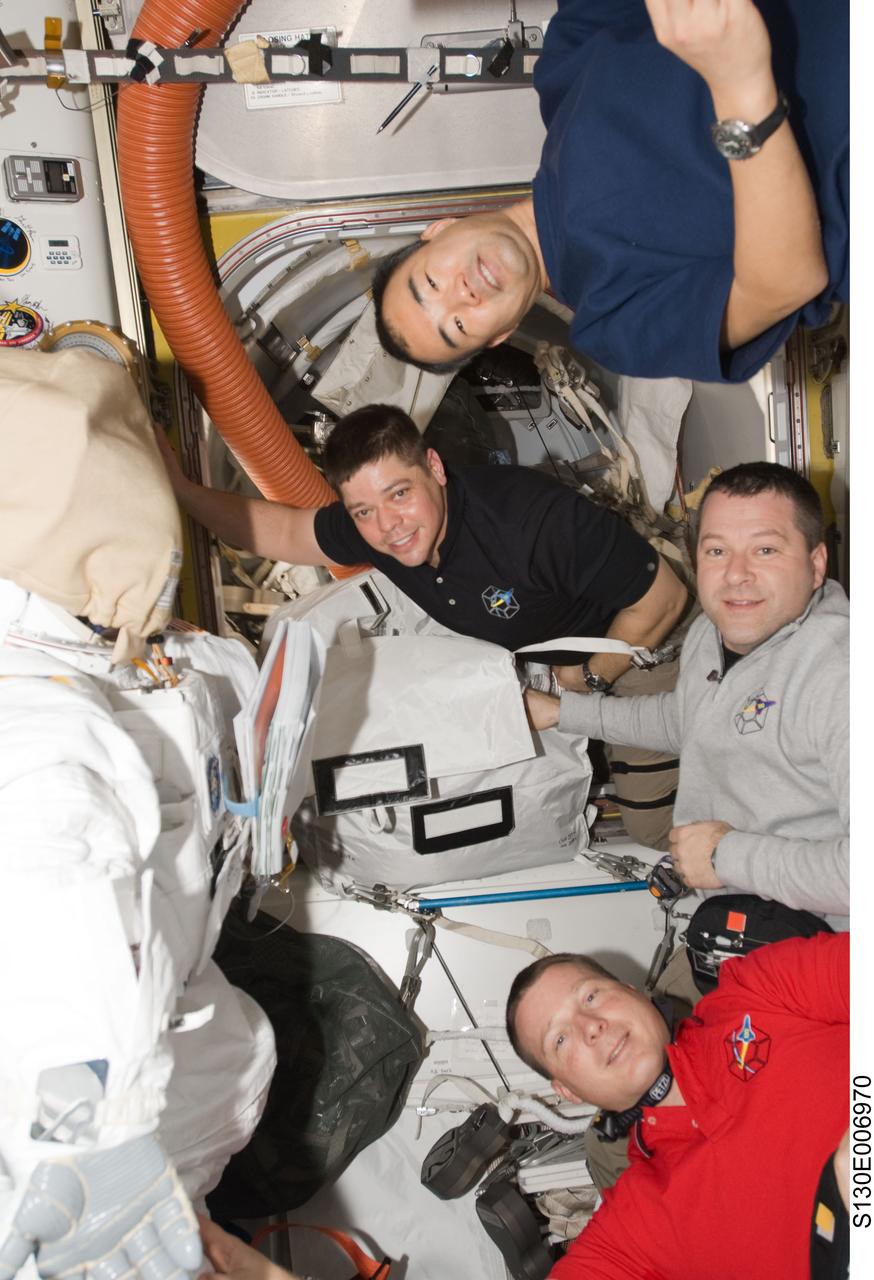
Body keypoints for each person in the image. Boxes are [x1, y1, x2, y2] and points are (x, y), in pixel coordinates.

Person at [0, 347, 279, 1280]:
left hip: (163, 1126)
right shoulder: (34, 723)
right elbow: (52, 910)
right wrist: (89, 1163)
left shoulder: (89, 670)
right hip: (102, 1169)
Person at [158, 403, 689, 847]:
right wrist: (181, 490)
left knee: (654, 829)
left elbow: (665, 598)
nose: (389, 527)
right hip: (565, 667)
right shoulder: (377, 531)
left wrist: (589, 677)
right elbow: (284, 531)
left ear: (434, 467)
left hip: (646, 650)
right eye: (363, 510)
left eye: (400, 494)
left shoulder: (532, 523)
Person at [373, 0, 848, 383]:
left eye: (431, 284)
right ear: (500, 335)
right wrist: (740, 87)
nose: (463, 294)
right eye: (457, 326)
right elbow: (785, 284)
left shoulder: (562, 77)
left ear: (439, 229)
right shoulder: (614, 328)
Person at [525, 461, 849, 924]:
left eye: (765, 550)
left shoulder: (843, 675)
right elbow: (687, 719)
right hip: (737, 919)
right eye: (717, 551)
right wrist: (562, 712)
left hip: (824, 957)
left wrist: (726, 858)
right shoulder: (710, 633)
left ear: (816, 564)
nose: (736, 574)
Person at [505, 933, 849, 1278]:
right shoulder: (634, 1226)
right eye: (560, 1039)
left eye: (590, 996)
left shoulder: (756, 988)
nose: (590, 1026)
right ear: (567, 1091)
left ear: (632, 991)